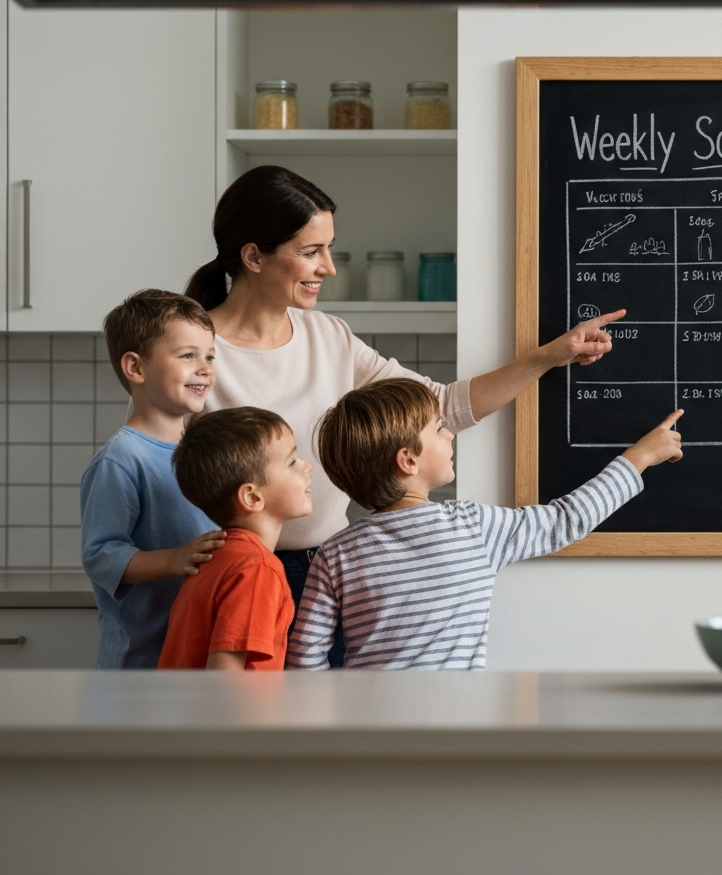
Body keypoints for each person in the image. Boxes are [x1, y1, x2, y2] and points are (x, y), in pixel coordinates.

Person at [185, 165, 624, 667]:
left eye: (329, 248)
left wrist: (550, 356)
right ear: (253, 256)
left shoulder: (329, 336)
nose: (328, 267)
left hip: (326, 566)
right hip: (239, 576)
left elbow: (442, 407)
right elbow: (156, 458)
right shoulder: (191, 350)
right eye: (311, 252)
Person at [286, 379, 683, 669]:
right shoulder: (472, 527)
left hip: (373, 733)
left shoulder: (335, 553)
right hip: (459, 726)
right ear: (408, 460)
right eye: (440, 428)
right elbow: (567, 519)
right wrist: (640, 458)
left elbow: (305, 657)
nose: (450, 436)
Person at [80, 290, 223, 668]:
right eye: (187, 355)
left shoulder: (204, 451)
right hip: (141, 663)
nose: (206, 368)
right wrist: (175, 559)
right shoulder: (121, 459)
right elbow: (101, 556)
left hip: (195, 655)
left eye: (210, 356)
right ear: (136, 368)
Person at [158, 408, 310, 670]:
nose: (307, 466)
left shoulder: (216, 556)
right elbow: (224, 678)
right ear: (252, 497)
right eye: (292, 462)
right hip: (228, 711)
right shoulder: (257, 570)